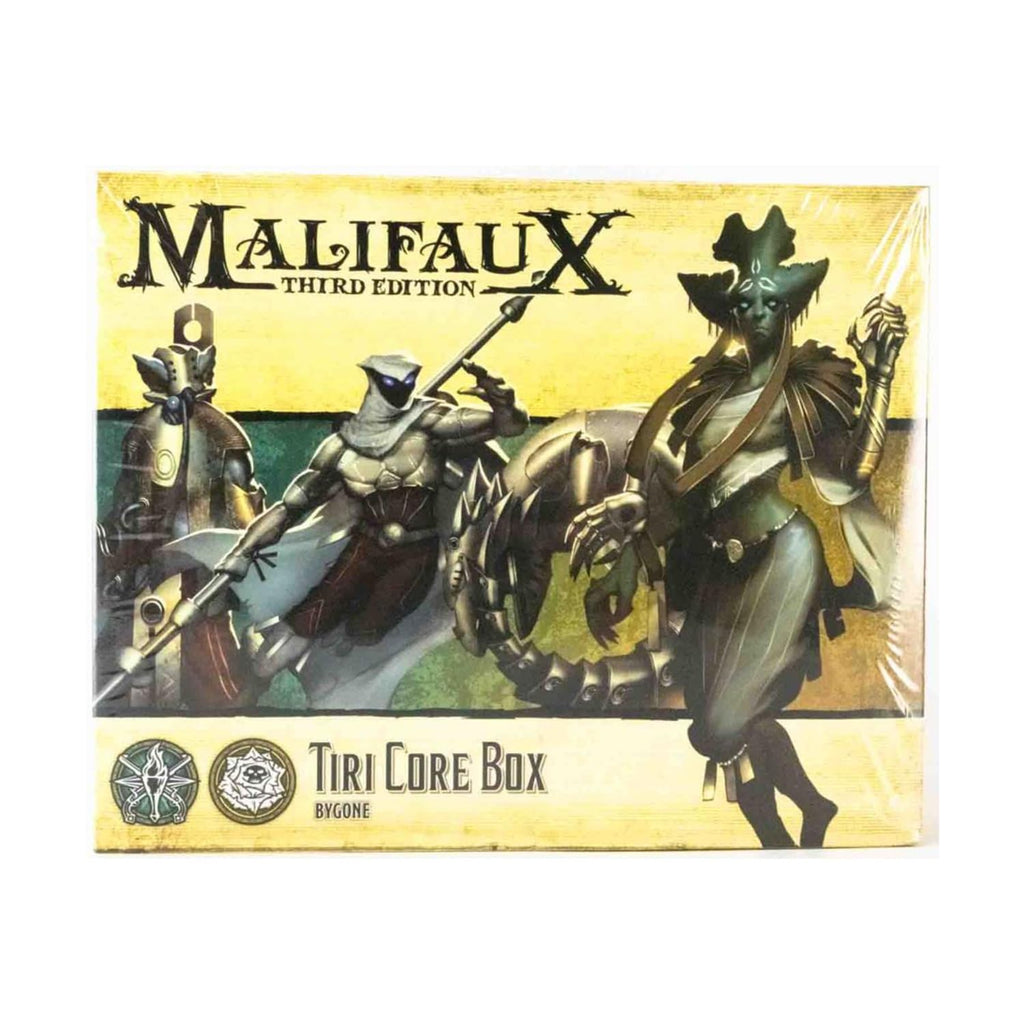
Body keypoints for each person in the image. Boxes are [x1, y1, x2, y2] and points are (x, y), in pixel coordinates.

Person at [567, 206, 906, 847]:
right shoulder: (711, 392)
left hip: (782, 557)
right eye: (744, 301)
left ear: (789, 308)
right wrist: (627, 561)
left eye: (769, 301)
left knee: (724, 723)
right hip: (712, 568)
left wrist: (880, 374)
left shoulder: (807, 384)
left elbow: (853, 472)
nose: (755, 311)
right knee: (716, 722)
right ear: (729, 312)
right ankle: (800, 823)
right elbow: (688, 499)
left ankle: (791, 830)